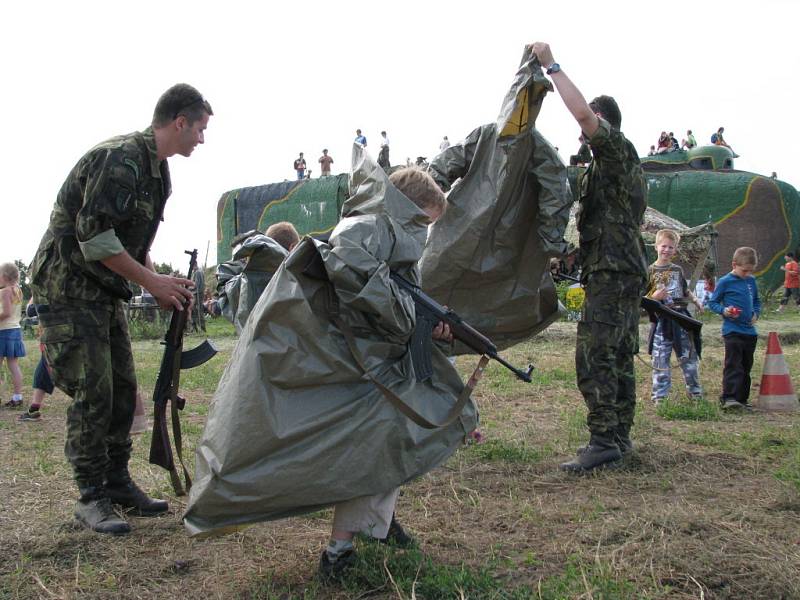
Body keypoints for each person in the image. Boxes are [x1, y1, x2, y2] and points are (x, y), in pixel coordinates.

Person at [28, 83, 212, 535]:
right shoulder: (122, 159)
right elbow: (94, 239)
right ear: (179, 122)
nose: (202, 140)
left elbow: (130, 241)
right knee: (95, 391)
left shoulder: (157, 170)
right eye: (200, 129)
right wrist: (152, 282)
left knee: (124, 388)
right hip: (68, 290)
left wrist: (159, 282)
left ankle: (115, 482)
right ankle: (91, 496)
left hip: (102, 292)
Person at [531, 42, 648, 472]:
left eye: (589, 127)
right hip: (613, 267)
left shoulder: (617, 151)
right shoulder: (606, 169)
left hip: (615, 273)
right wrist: (575, 254)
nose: (581, 133)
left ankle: (604, 441)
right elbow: (612, 224)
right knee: (617, 354)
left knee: (595, 354)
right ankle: (617, 437)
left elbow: (582, 114)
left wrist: (551, 65)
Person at [645, 229, 704, 404]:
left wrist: (696, 301)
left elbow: (686, 290)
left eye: (671, 247)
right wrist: (654, 298)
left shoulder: (677, 270)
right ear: (656, 247)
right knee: (660, 360)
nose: (667, 250)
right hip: (662, 321)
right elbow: (643, 297)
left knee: (688, 358)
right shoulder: (650, 270)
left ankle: (695, 394)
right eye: (664, 246)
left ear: (675, 250)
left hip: (681, 319)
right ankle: (660, 398)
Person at [707, 247, 761, 410]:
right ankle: (729, 397)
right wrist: (725, 311)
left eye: (750, 271)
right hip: (732, 331)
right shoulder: (725, 281)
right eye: (744, 270)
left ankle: (742, 399)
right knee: (733, 364)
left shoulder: (751, 281)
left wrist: (756, 314)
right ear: (734, 264)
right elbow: (713, 303)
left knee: (746, 365)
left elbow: (757, 301)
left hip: (750, 332)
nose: (747, 274)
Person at [18, 300, 52, 421]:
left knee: (45, 370)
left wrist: (32, 297)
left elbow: (31, 310)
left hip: (57, 335)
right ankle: (34, 408)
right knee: (43, 370)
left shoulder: (47, 283)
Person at [0, 262, 26, 408]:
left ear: (3, 276)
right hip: (15, 330)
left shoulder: (5, 291)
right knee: (14, 365)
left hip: (3, 332)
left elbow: (6, 313)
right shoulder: (18, 290)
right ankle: (17, 397)